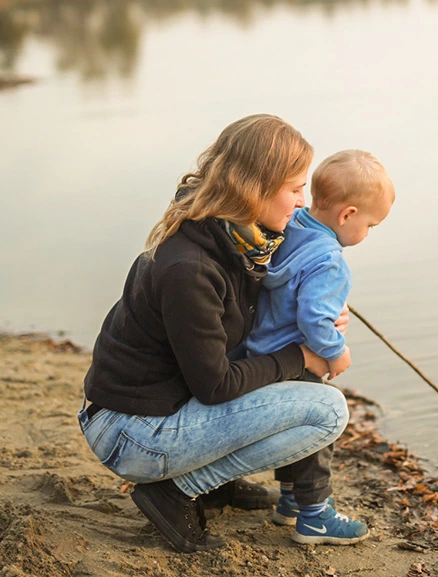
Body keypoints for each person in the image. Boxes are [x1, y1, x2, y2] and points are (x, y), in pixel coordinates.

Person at [77, 114, 369, 553]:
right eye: (294, 188)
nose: (302, 201)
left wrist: (320, 312)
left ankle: (214, 487)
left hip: (161, 405)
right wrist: (303, 357)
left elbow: (240, 333)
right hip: (130, 434)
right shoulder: (190, 268)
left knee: (288, 385)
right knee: (328, 409)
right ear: (255, 189)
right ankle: (177, 490)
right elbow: (216, 385)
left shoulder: (236, 239)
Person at [245, 150, 394, 543]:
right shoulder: (330, 260)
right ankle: (315, 515)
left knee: (295, 424)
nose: (368, 233)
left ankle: (291, 500)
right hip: (295, 357)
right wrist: (334, 352)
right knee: (318, 429)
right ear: (346, 215)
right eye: (370, 225)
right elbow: (314, 320)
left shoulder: (290, 225)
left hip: (260, 350)